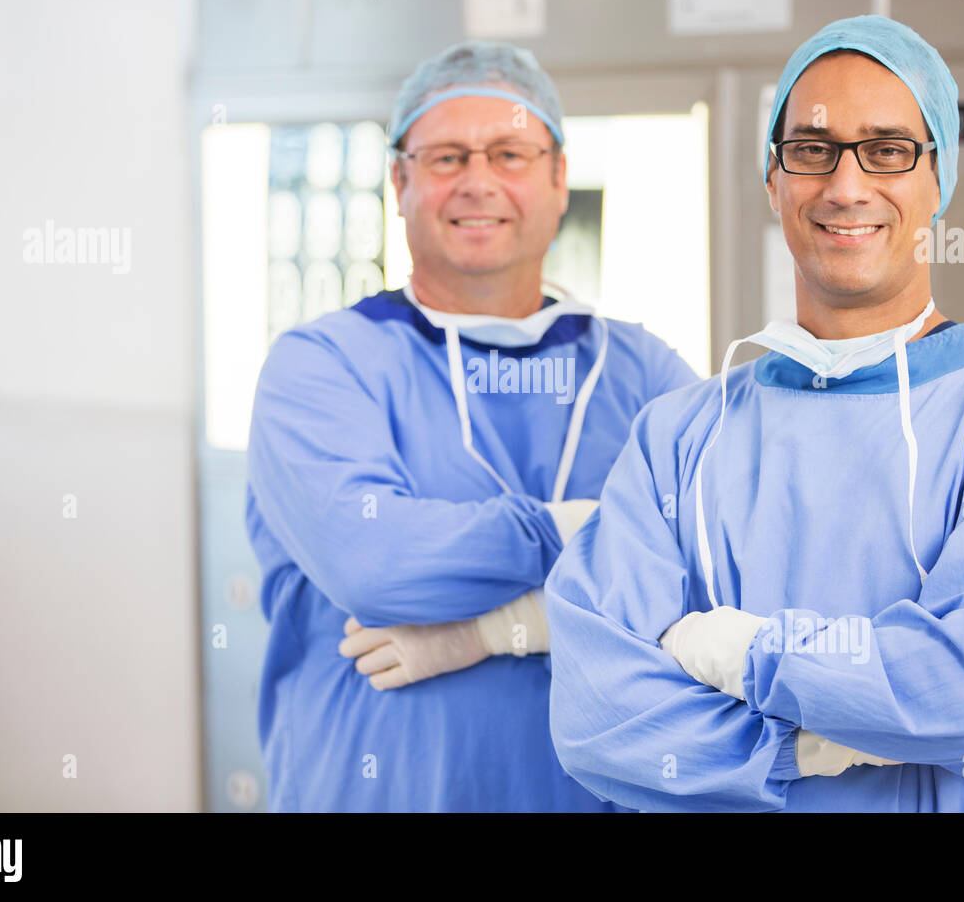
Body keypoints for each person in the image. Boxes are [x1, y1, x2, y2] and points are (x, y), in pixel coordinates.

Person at [546, 15, 964, 812]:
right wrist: (821, 743)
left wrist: (746, 655)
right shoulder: (677, 438)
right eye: (812, 149)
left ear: (937, 181)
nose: (846, 186)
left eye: (887, 149)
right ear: (774, 181)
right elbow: (598, 718)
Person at [245, 41, 699, 811]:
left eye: (510, 153)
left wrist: (492, 630)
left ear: (559, 178)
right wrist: (585, 531)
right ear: (400, 181)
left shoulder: (646, 373)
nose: (479, 181)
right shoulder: (322, 367)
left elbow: (714, 575)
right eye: (448, 156)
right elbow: (375, 565)